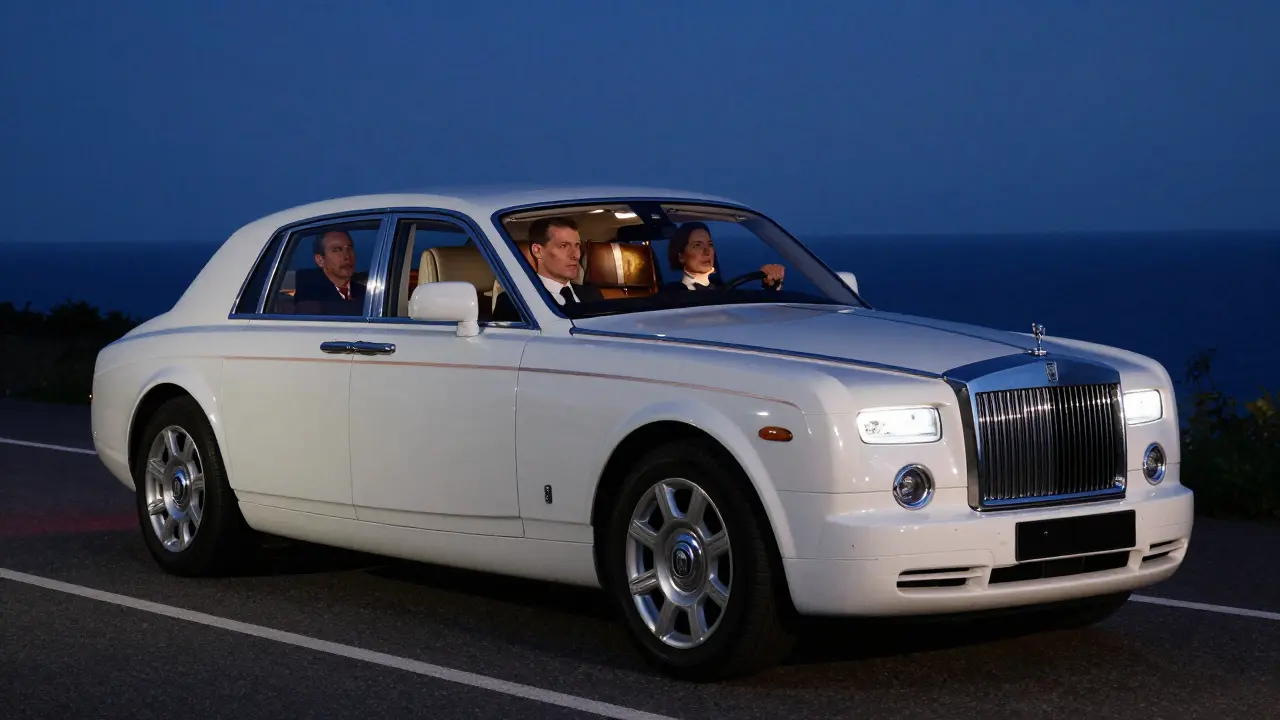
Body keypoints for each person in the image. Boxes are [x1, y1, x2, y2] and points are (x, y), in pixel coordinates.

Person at [493, 217, 603, 319]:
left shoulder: (592, 294)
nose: (576, 255)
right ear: (538, 251)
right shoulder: (514, 302)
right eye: (563, 246)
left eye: (577, 245)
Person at [659, 221, 785, 292]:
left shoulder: (728, 293)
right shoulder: (669, 296)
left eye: (710, 245)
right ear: (681, 256)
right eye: (697, 245)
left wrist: (772, 285)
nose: (706, 252)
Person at [292, 230, 367, 314]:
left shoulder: (367, 294)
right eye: (336, 250)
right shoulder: (312, 298)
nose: (347, 256)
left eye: (349, 248)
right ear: (320, 260)